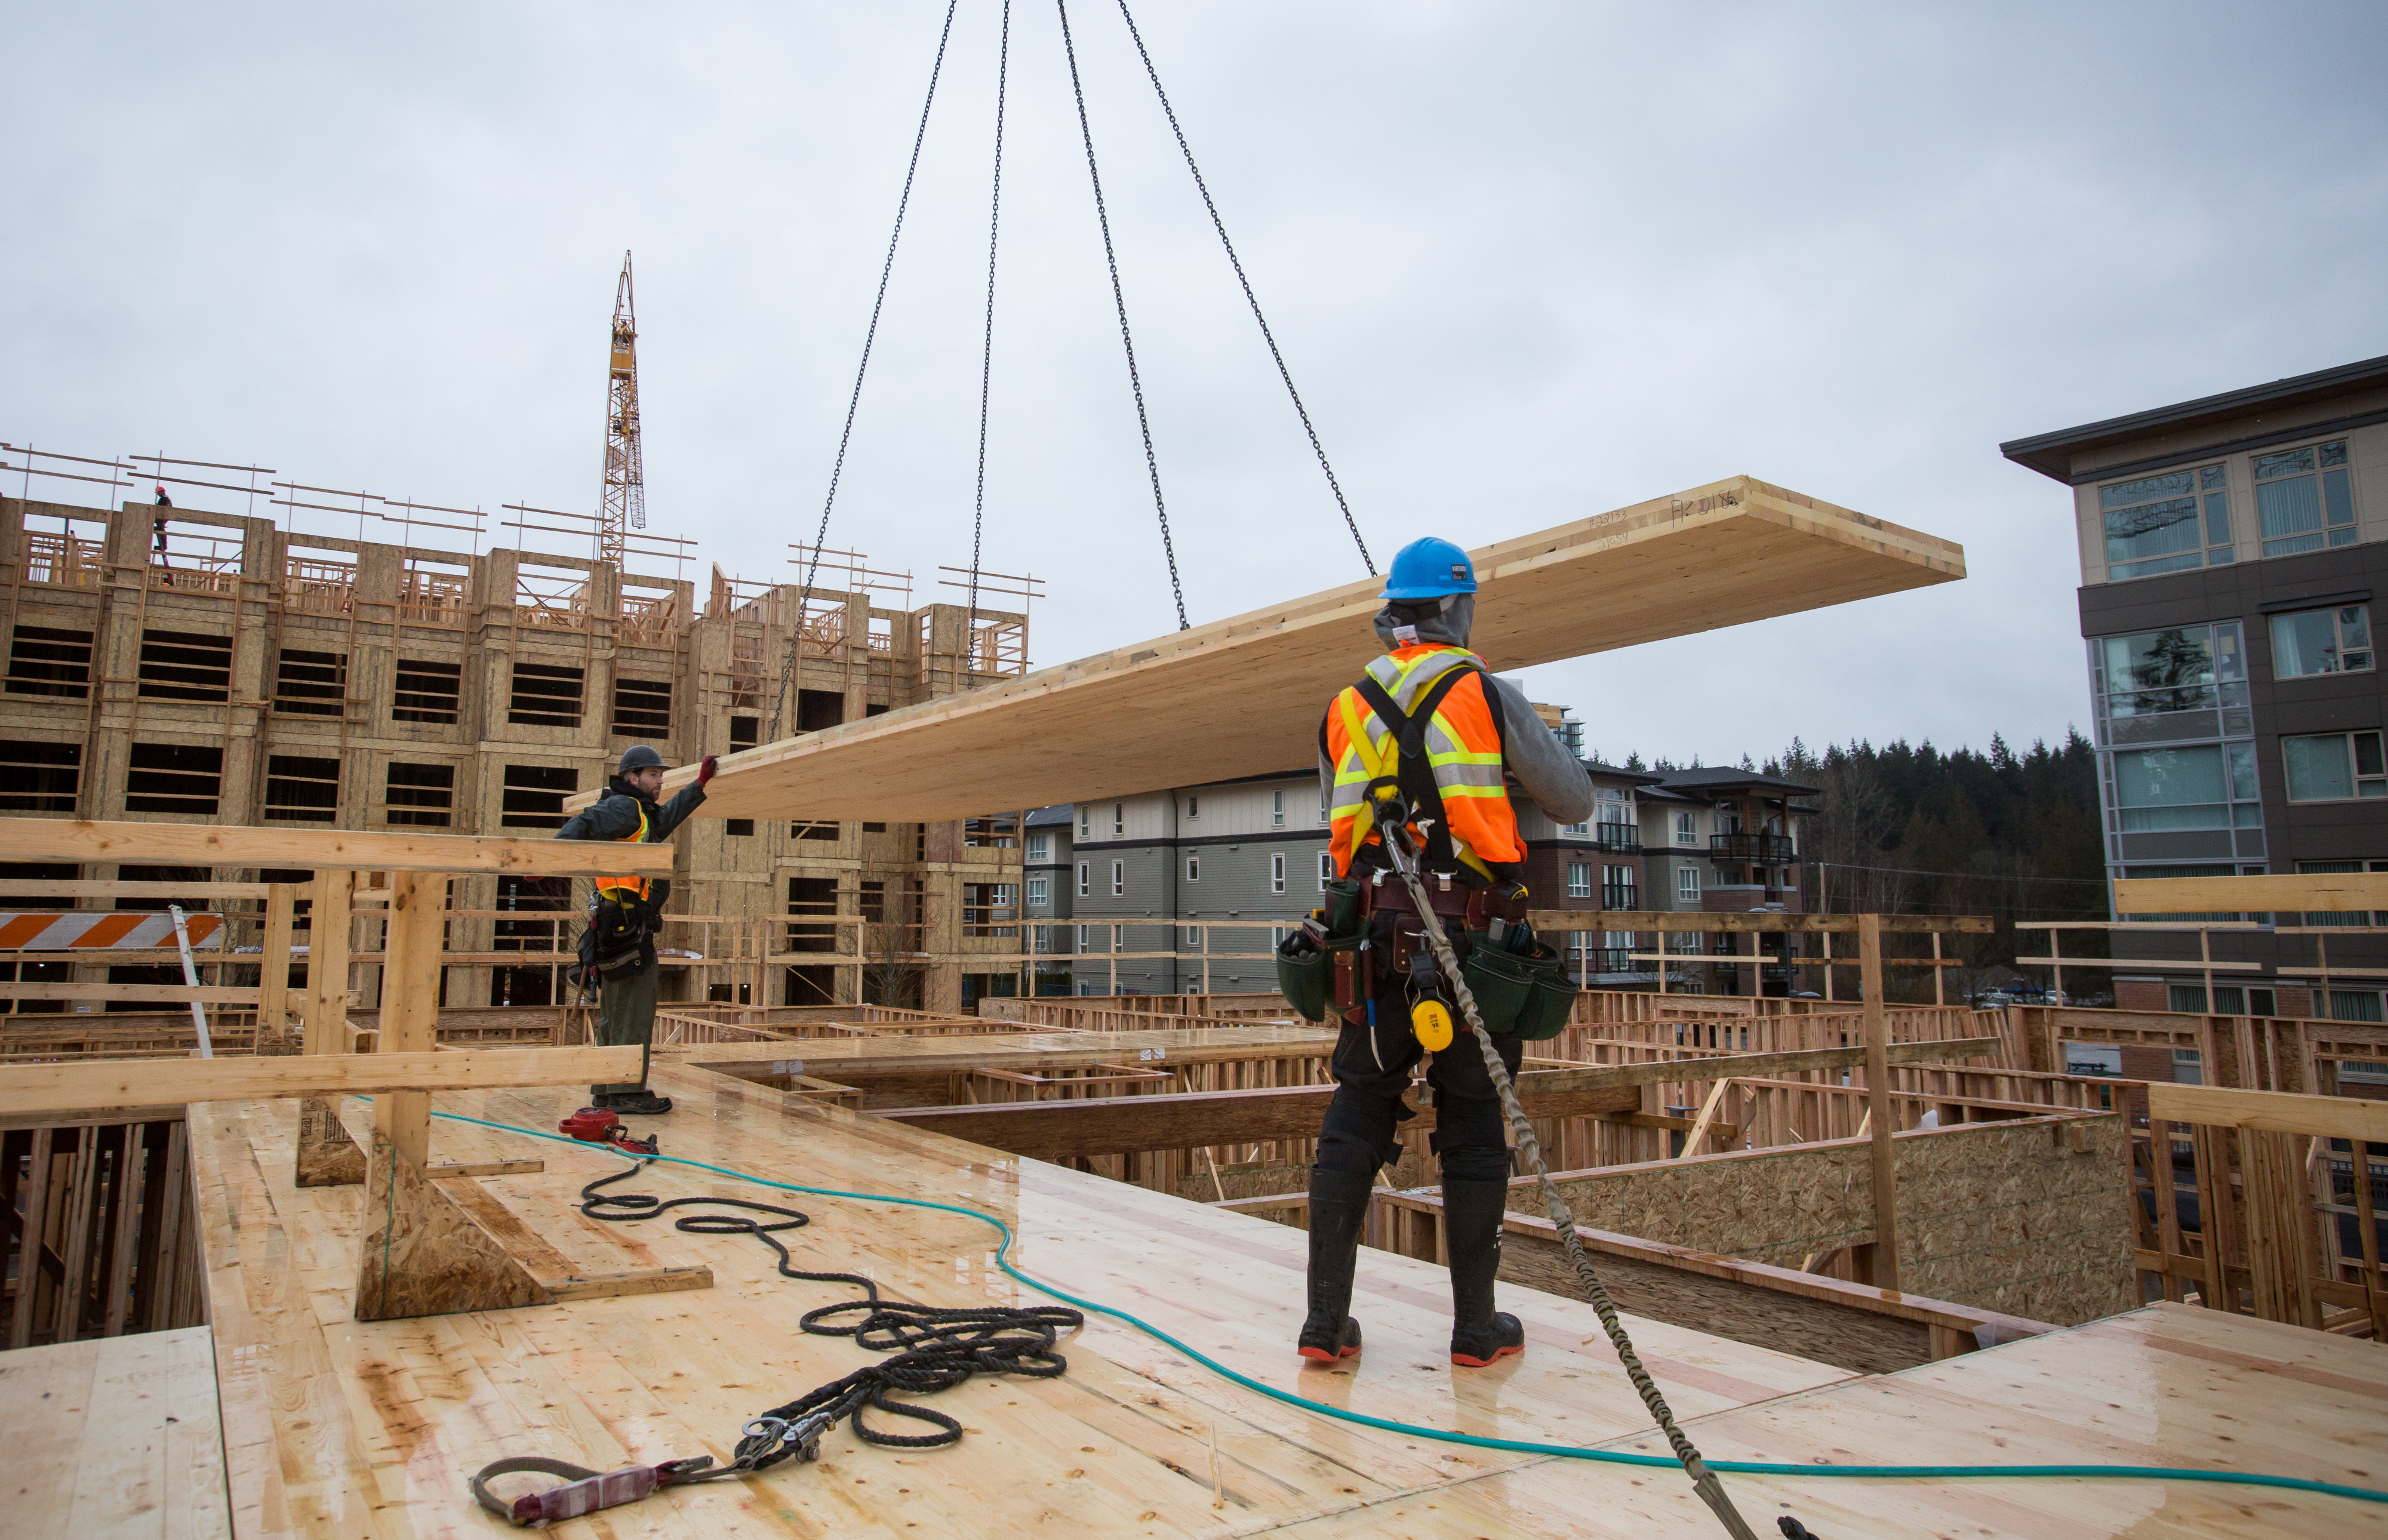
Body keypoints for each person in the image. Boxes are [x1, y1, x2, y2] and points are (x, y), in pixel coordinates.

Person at [1299, 535, 1593, 1369]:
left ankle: (1325, 1324)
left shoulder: (1344, 704)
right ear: (1458, 610)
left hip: (1375, 939)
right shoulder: (1485, 693)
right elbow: (1573, 803)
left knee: (1357, 1109)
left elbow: (1338, 818)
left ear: (1394, 612)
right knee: (1472, 1117)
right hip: (1471, 938)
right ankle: (1474, 1332)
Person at [556, 744, 716, 1114]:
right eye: (654, 775)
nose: (661, 781)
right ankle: (626, 1092)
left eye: (661, 775)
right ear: (633, 778)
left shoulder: (640, 813)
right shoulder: (623, 807)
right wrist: (552, 855)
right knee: (635, 1013)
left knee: (615, 1014)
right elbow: (587, 822)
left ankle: (606, 1090)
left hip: (616, 929)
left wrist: (699, 784)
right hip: (627, 930)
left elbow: (666, 819)